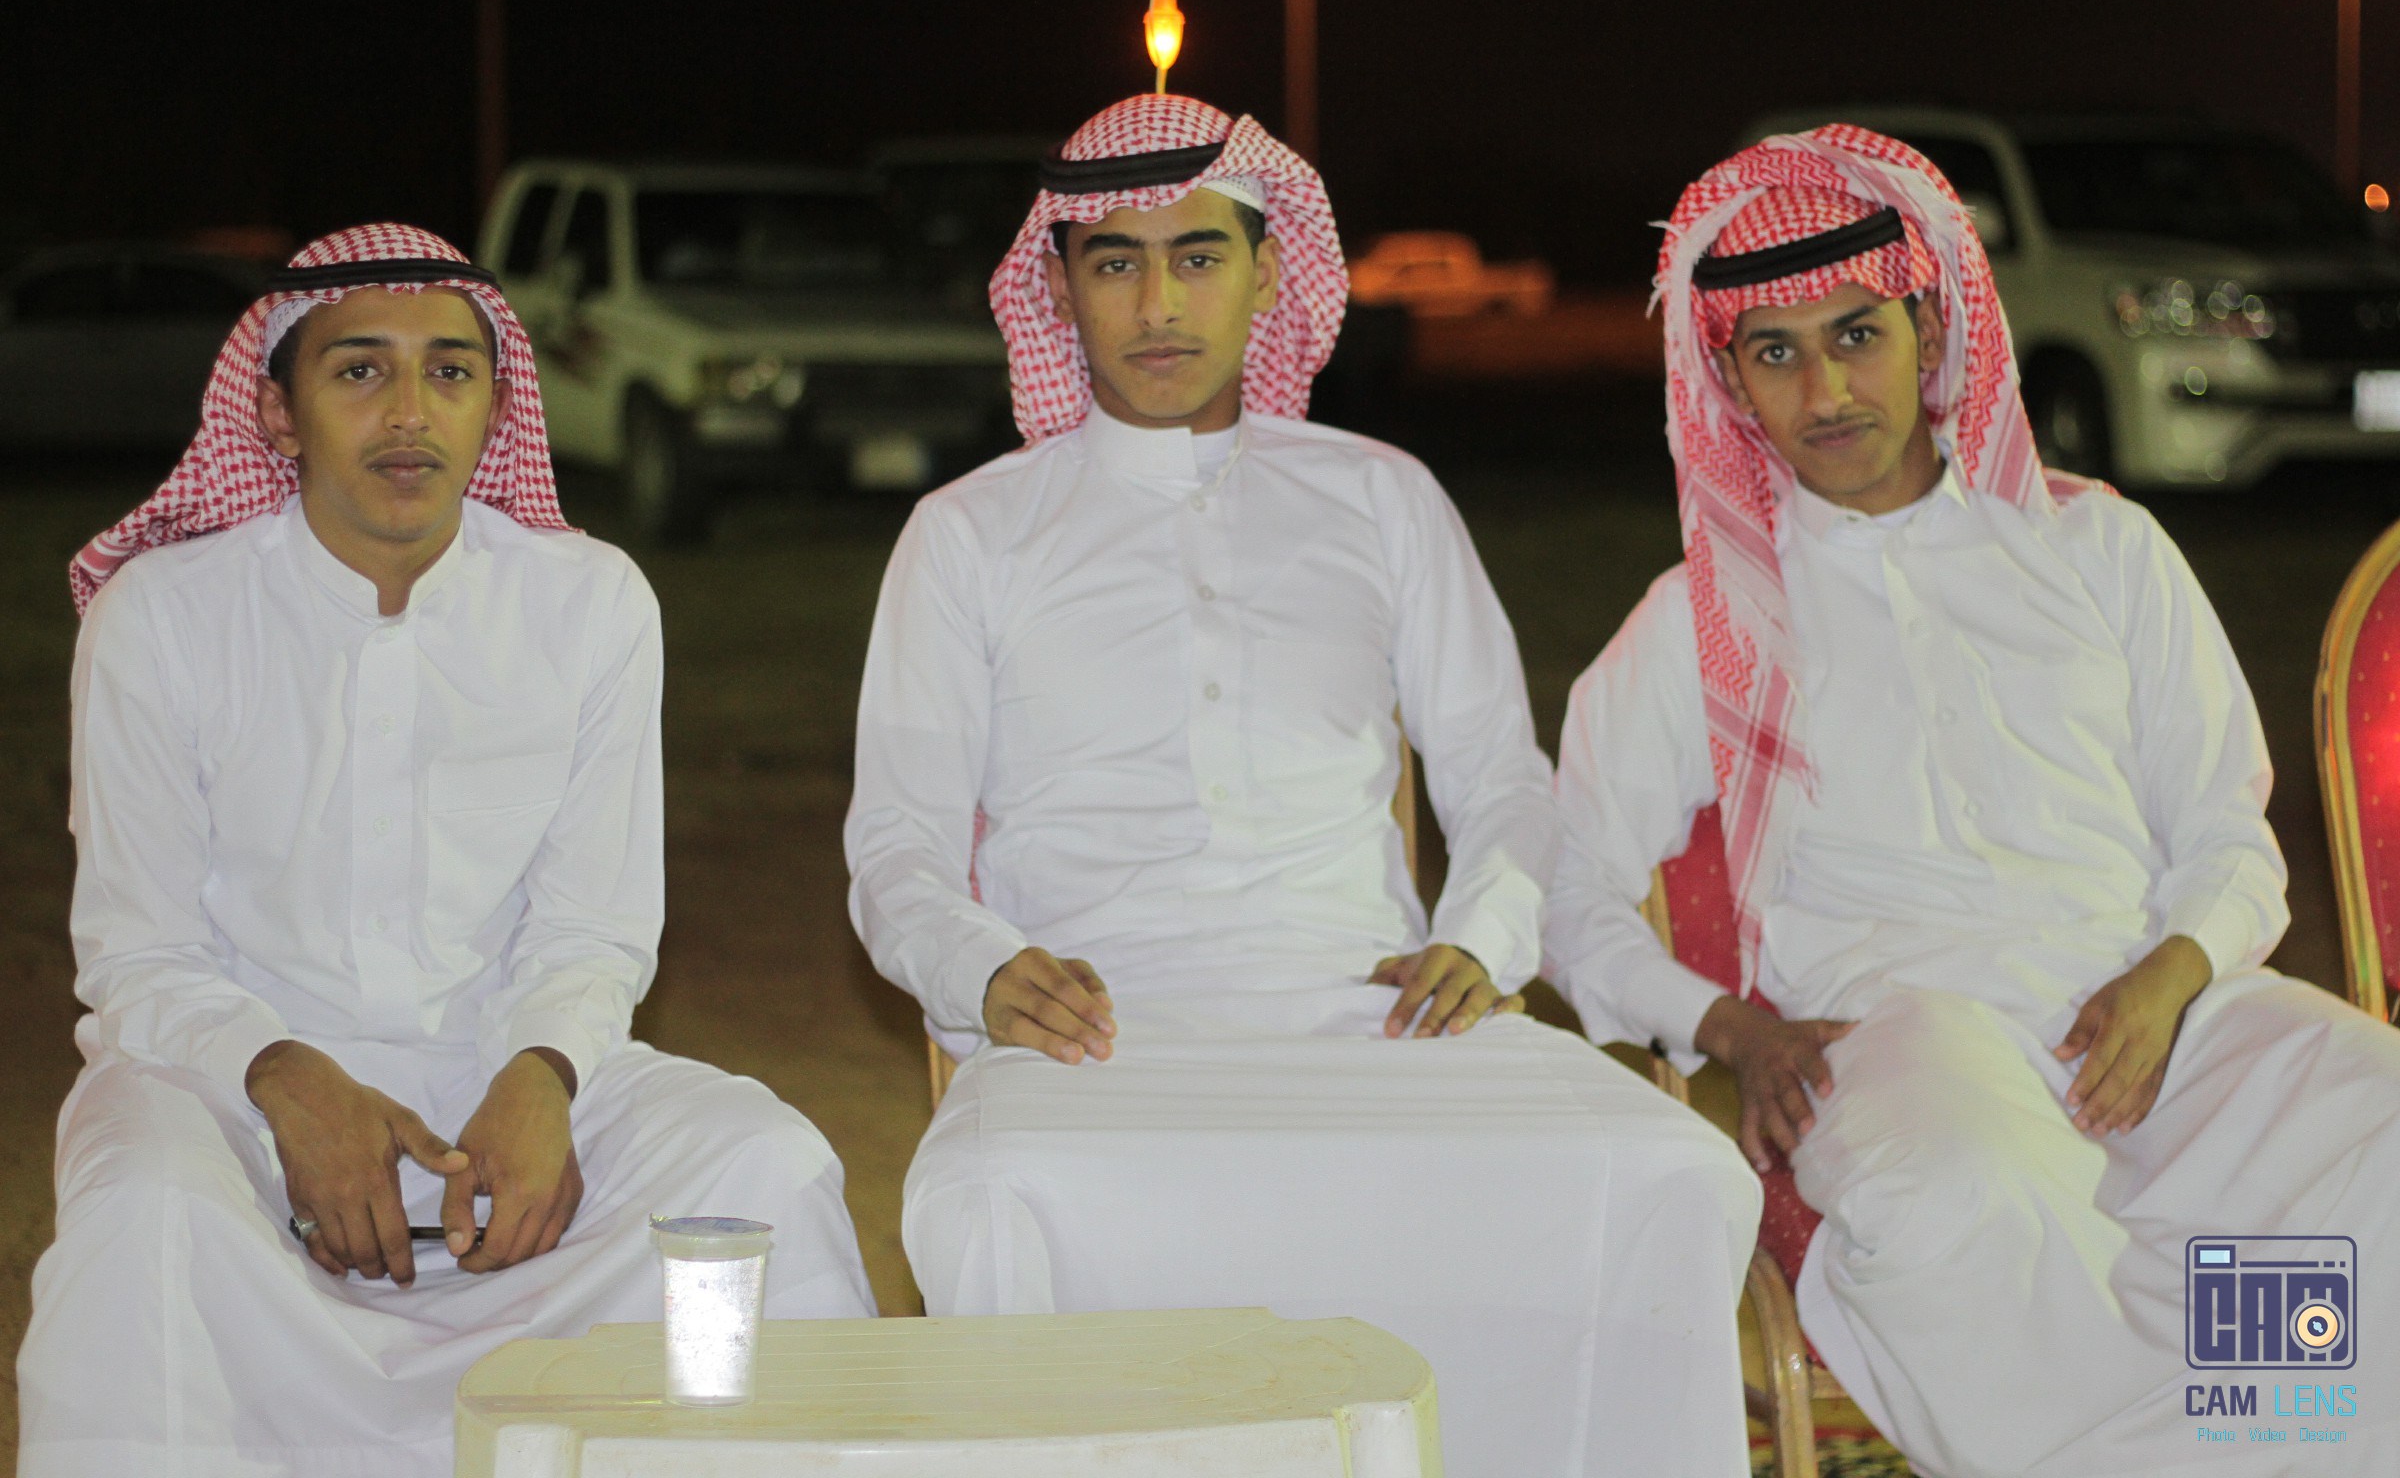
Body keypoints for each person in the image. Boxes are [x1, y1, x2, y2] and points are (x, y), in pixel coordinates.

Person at [845, 94, 1761, 1478]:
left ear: (1269, 272)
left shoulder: (1384, 499)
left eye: (1199, 257)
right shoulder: (967, 534)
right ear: (1060, 286)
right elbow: (898, 849)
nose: (1159, 303)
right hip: (1102, 1032)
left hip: (1373, 1011)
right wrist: (983, 969)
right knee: (994, 1194)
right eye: (1115, 262)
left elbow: (1504, 785)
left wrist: (1483, 938)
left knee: (1672, 1174)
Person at [1545, 125, 2400, 1477]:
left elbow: (2228, 836)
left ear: (1931, 331)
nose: (1827, 387)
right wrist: (1730, 1032)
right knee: (1965, 1199)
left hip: (2157, 1014)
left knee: (2374, 1115)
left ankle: (2272, 1446)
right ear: (1730, 380)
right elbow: (1571, 887)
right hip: (1912, 1038)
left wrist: (2174, 974)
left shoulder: (2098, 545)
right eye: (1776, 352)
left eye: (1857, 334)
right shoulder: (1705, 621)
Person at [17, 224, 873, 1478]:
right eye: (360, 370)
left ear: (496, 406)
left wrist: (544, 1072)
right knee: (139, 1219)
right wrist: (286, 1082)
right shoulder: (164, 618)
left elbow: (592, 928)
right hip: (228, 1100)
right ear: (277, 410)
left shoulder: (590, 605)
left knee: (766, 1168)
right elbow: (137, 953)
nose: (410, 411)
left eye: (451, 372)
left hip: (501, 1077)